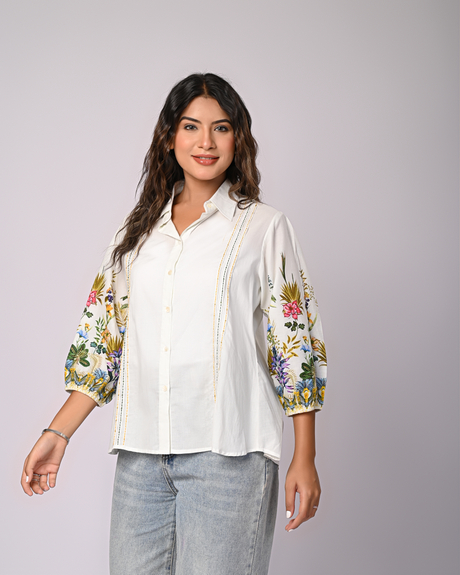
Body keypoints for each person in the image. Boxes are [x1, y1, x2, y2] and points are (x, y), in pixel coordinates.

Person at [20, 72, 327, 575]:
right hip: (141, 459)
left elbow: (295, 345)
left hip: (229, 457)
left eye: (221, 128)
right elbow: (103, 340)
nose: (206, 142)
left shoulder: (264, 227)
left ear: (238, 139)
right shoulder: (137, 232)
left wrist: (304, 456)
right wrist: (58, 433)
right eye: (191, 126)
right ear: (169, 137)